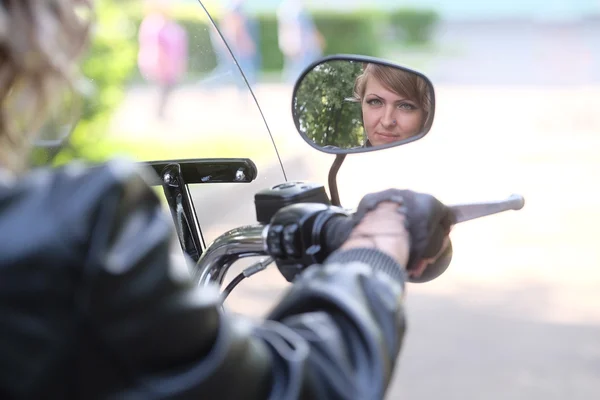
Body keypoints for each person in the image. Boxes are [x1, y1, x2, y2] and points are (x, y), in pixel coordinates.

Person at [0, 1, 452, 399]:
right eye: (376, 102)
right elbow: (293, 387)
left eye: (405, 106)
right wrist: (377, 242)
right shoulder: (81, 234)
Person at [352, 63, 433, 147]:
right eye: (375, 102)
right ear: (362, 103)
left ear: (426, 114)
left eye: (405, 106)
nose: (387, 122)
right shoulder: (348, 159)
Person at [138, 1, 188, 119]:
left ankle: (161, 113)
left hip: (171, 63)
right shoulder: (155, 25)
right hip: (160, 65)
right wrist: (163, 65)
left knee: (167, 89)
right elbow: (156, 48)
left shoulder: (171, 26)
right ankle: (159, 114)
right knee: (162, 89)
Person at [277, 0, 325, 83]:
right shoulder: (293, 7)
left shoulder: (291, 6)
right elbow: (292, 29)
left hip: (303, 49)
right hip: (302, 50)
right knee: (299, 76)